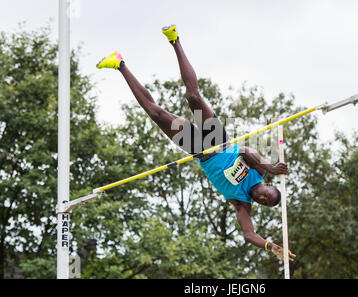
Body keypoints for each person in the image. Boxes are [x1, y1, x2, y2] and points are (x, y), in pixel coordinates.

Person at [96, 25, 295, 262]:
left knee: (156, 113)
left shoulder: (243, 204)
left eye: (264, 202)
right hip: (218, 141)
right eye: (267, 194)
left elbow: (249, 234)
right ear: (268, 185)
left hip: (200, 151)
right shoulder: (259, 173)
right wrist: (271, 167)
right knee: (193, 97)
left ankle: (120, 64)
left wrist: (269, 245)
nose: (262, 198)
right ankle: (174, 39)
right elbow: (245, 150)